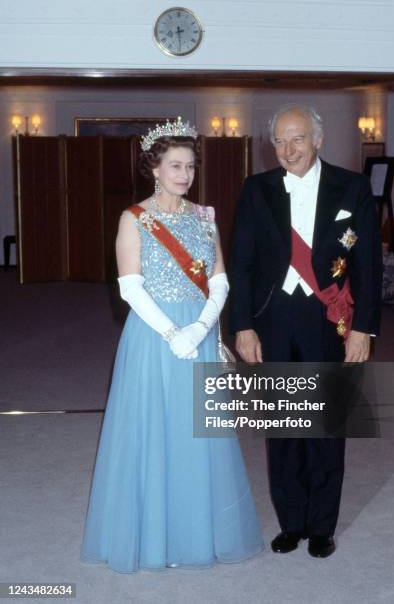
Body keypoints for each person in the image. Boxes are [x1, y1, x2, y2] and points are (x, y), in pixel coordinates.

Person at [81, 118, 263, 572]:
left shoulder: (204, 218)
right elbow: (130, 288)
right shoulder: (134, 218)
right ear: (155, 169)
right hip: (153, 335)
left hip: (196, 335)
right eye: (175, 165)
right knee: (154, 429)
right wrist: (172, 333)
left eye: (190, 166)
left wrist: (200, 329)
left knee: (196, 434)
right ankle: (154, 537)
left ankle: (195, 533)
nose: (184, 175)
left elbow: (220, 280)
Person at [229, 105, 381, 558]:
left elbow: (368, 265)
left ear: (317, 140)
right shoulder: (257, 189)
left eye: (296, 139)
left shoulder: (352, 188)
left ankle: (322, 526)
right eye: (278, 140)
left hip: (328, 320)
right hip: (273, 320)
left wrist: (363, 330)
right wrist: (242, 326)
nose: (287, 149)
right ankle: (291, 521)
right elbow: (243, 262)